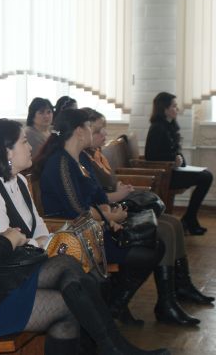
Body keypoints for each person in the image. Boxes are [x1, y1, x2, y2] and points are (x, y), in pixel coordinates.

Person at [0, 111, 168, 355]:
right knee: (67, 296)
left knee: (67, 271)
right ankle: (114, 347)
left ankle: (114, 347)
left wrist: (12, 241)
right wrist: (9, 239)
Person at [33, 109, 166, 326]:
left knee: (155, 242)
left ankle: (115, 305)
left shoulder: (80, 159)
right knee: (150, 251)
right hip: (76, 236)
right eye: (89, 127)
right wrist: (108, 217)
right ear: (79, 131)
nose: (92, 131)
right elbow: (77, 211)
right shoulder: (60, 163)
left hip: (94, 227)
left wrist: (109, 214)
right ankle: (114, 305)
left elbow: (98, 197)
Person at [83, 107, 210, 325]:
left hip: (115, 207)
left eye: (103, 129)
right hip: (110, 214)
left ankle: (181, 286)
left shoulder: (96, 155)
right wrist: (116, 197)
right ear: (82, 132)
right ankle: (165, 303)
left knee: (173, 223)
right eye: (97, 131)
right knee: (164, 230)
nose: (104, 134)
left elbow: (106, 186)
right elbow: (93, 198)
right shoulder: (82, 160)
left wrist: (120, 190)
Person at [145, 92, 214, 235]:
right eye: (174, 106)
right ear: (165, 109)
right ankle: (190, 219)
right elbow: (150, 156)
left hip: (172, 172)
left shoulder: (168, 125)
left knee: (206, 175)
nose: (177, 109)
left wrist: (180, 161)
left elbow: (174, 151)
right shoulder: (157, 128)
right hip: (164, 176)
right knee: (206, 177)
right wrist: (173, 159)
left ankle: (190, 218)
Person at [0, 118, 50, 248]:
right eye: (24, 142)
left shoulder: (20, 180)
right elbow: (4, 241)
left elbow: (38, 225)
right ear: (7, 151)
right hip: (13, 259)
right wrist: (37, 243)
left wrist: (45, 242)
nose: (30, 147)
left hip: (33, 255)